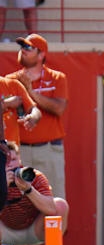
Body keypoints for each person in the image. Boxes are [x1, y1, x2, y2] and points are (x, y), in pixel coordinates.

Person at [6, 34, 67, 199]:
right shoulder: (10, 80)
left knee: (54, 201)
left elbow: (59, 108)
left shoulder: (57, 78)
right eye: (22, 47)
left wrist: (29, 92)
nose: (23, 51)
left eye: (28, 48)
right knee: (19, 204)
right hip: (19, 152)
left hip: (49, 149)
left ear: (42, 55)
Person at [0, 142, 69, 245]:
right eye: (6, 160)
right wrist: (3, 186)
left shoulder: (35, 177)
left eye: (14, 159)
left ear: (19, 159)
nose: (10, 164)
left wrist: (28, 189)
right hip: (5, 231)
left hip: (34, 229)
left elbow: (52, 209)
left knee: (60, 204)